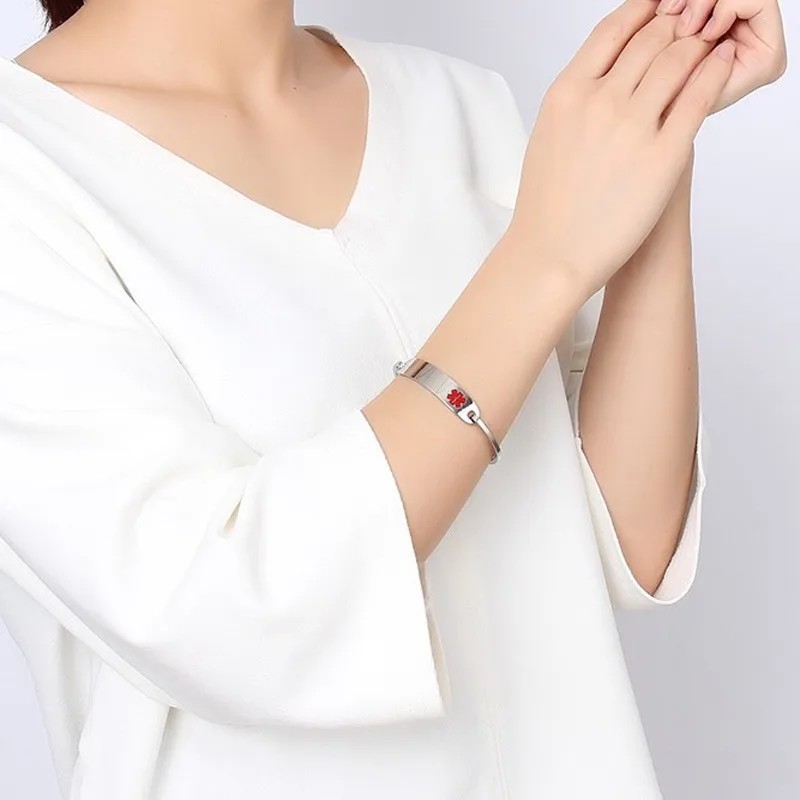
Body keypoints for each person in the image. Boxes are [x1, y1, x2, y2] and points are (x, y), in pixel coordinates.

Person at [0, 0, 786, 798]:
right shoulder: (24, 166)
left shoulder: (456, 106)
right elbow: (216, 607)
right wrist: (544, 257)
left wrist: (659, 121)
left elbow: (625, 539)